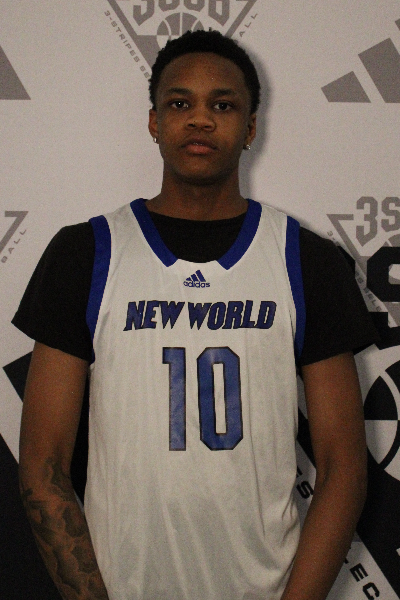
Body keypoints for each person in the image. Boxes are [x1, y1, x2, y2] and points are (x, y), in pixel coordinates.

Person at [14, 30, 377, 600]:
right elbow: (43, 465)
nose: (201, 119)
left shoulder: (307, 260)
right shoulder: (85, 253)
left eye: (223, 105)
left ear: (251, 128)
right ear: (154, 122)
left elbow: (342, 468)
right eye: (180, 103)